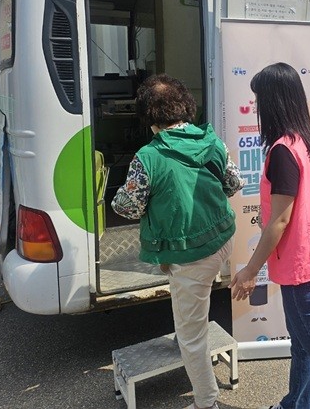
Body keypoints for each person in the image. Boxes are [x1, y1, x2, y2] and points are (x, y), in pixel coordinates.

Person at [230, 63, 310, 409]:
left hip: (302, 265)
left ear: (274, 101)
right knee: (304, 346)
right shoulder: (308, 139)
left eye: (259, 99)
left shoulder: (283, 151)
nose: (255, 106)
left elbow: (279, 221)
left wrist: (249, 270)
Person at [112, 74, 243, 409]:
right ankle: (191, 319)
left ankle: (206, 402)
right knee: (194, 303)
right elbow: (233, 184)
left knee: (191, 338)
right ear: (186, 106)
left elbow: (129, 207)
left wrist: (115, 198)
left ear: (149, 117)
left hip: (190, 254)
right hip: (222, 239)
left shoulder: (147, 157)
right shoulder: (212, 142)